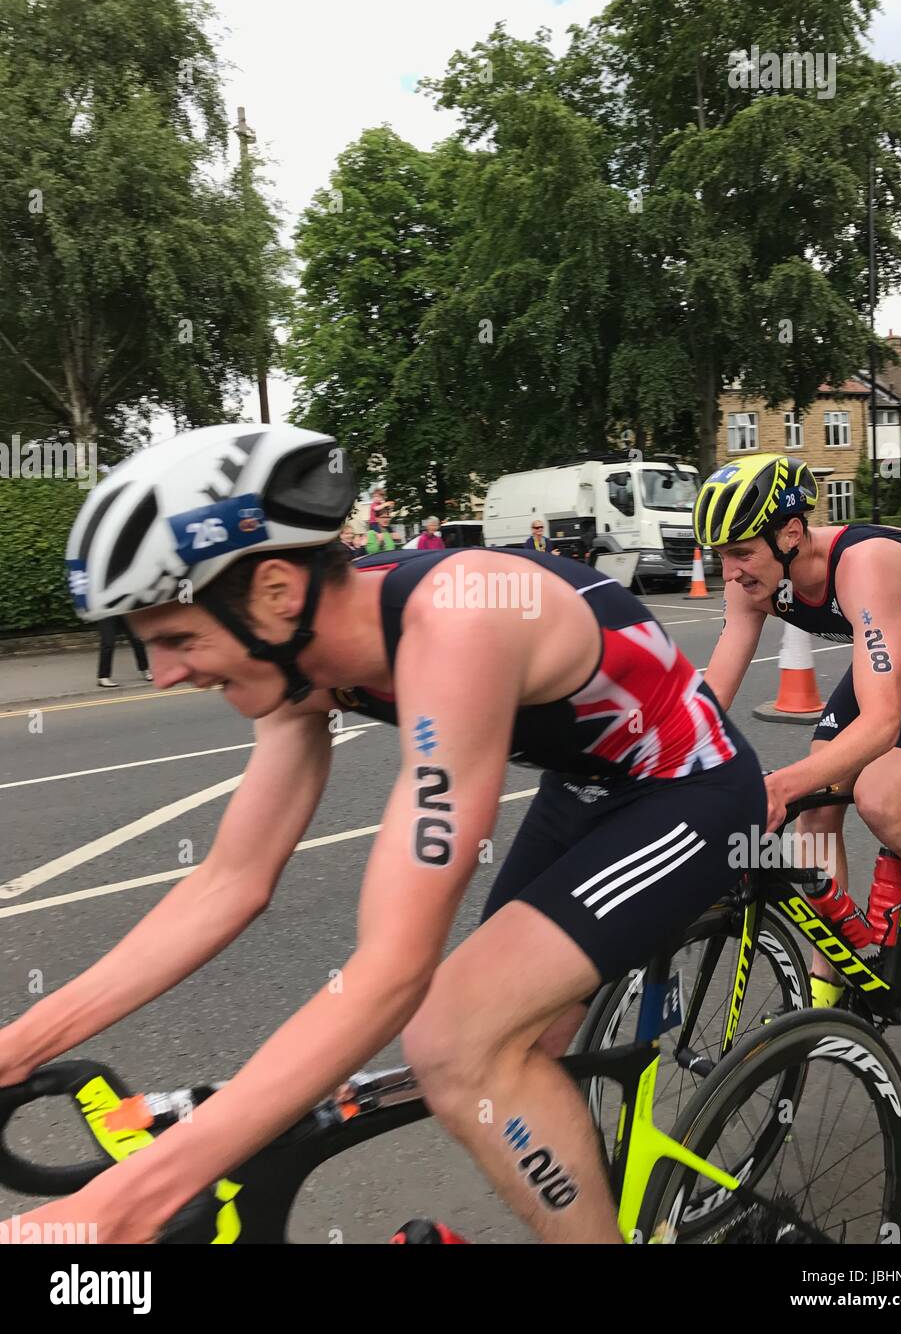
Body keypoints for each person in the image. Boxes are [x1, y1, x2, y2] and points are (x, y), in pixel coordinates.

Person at [1, 423, 765, 1245]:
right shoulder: (301, 662)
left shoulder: (455, 624)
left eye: (180, 640)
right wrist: (19, 1046)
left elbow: (392, 968)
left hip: (689, 792)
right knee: (513, 1039)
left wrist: (130, 1201)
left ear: (272, 592)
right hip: (583, 785)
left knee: (451, 1036)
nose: (166, 675)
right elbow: (230, 880)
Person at [694, 452, 901, 1019]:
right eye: (720, 557)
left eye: (742, 553)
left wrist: (779, 787)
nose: (730, 572)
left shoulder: (861, 565)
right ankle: (837, 963)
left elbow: (881, 723)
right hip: (891, 657)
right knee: (819, 806)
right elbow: (716, 690)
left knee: (879, 798)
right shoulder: (753, 579)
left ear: (791, 533)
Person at [96, 617, 152, 688]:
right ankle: (103, 677)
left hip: (123, 610)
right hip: (106, 613)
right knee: (108, 644)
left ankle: (145, 669)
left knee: (137, 640)